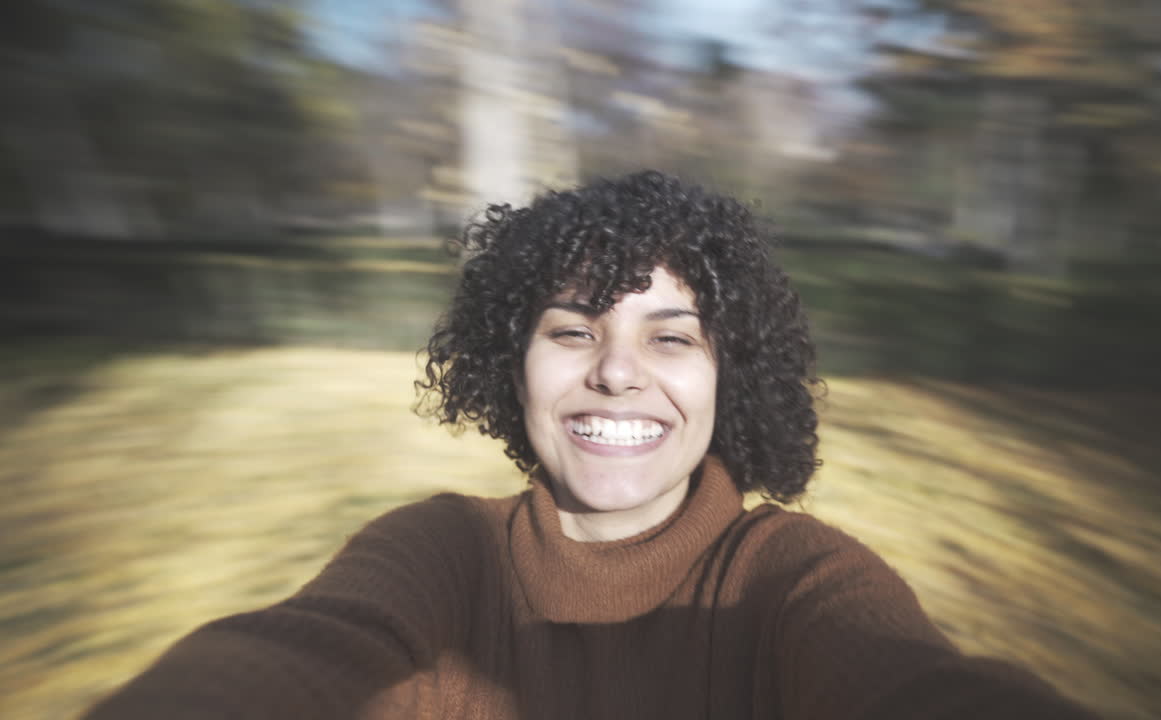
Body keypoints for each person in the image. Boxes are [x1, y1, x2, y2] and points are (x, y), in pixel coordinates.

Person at [84, 171, 1096, 719]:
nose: (616, 372)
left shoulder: (793, 576)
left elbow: (909, 684)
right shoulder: (439, 552)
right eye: (572, 331)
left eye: (672, 338)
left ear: (731, 377)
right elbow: (290, 657)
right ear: (511, 362)